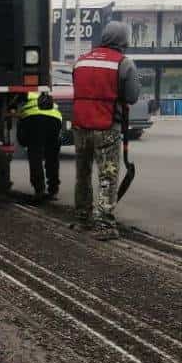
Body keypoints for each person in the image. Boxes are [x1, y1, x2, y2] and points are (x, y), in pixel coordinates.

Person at [71, 20, 141, 240]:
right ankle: (104, 225)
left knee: (82, 174)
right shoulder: (124, 63)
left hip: (81, 126)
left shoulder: (80, 62)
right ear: (123, 40)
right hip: (106, 127)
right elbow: (131, 96)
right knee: (108, 175)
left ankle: (82, 219)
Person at [16, 90, 62, 201]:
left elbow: (13, 106)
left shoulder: (24, 92)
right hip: (55, 120)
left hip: (34, 120)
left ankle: (39, 190)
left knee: (35, 155)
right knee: (52, 156)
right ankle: (53, 190)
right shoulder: (44, 91)